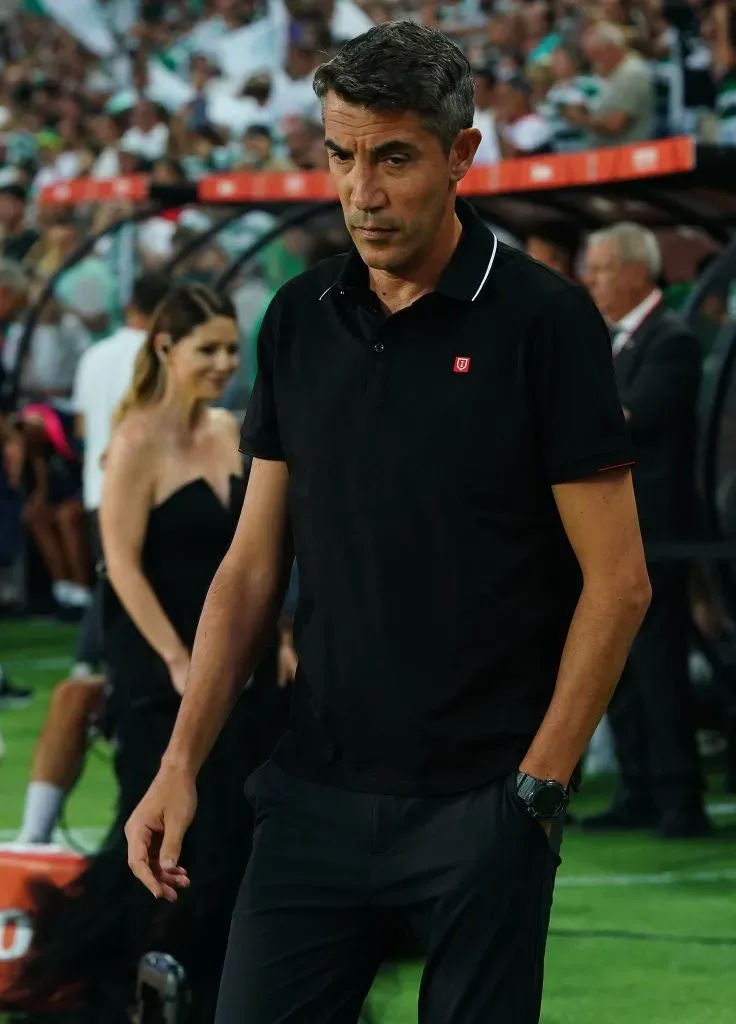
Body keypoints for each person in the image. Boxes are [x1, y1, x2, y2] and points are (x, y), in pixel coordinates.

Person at [126, 22, 651, 1024]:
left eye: (393, 156)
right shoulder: (295, 316)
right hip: (311, 793)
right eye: (340, 155)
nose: (360, 191)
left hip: (483, 803)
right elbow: (248, 570)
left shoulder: (544, 323)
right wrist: (180, 762)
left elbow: (619, 582)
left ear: (461, 155)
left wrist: (535, 790)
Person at [9, 283, 288, 1024]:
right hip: (158, 663)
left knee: (241, 821)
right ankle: (143, 983)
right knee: (163, 825)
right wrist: (173, 657)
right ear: (166, 348)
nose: (224, 363)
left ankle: (226, 982)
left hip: (241, 658)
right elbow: (121, 566)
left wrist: (279, 634)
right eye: (208, 349)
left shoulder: (233, 430)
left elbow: (264, 548)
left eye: (232, 349)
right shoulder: (133, 439)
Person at [582, 222, 710, 838]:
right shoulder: (617, 342)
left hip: (657, 532)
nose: (593, 280)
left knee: (658, 668)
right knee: (623, 670)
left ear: (638, 271)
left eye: (602, 268)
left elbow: (634, 421)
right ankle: (635, 791)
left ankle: (679, 799)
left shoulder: (671, 339)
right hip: (615, 533)